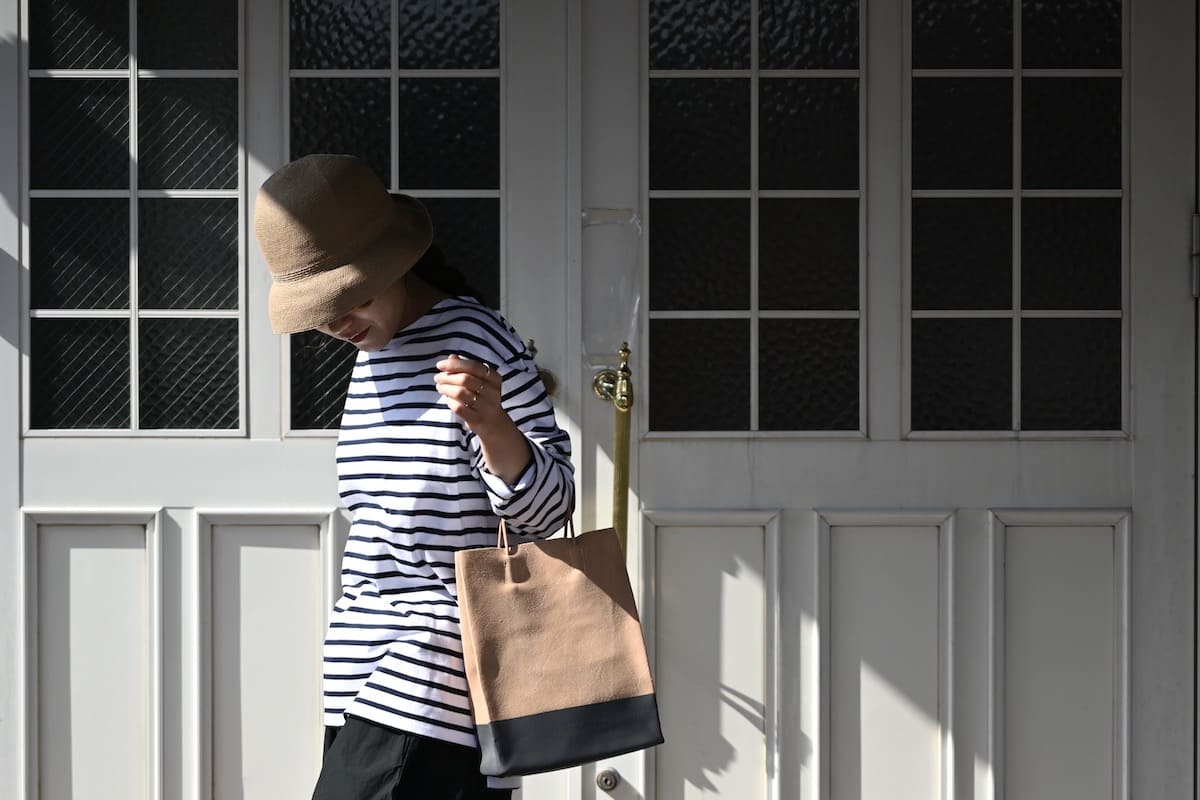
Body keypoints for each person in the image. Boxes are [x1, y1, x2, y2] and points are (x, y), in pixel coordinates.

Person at [254, 153, 576, 799]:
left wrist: (494, 426)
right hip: (363, 659)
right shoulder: (375, 352)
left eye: (351, 297)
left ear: (397, 264)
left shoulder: (477, 341)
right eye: (322, 310)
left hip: (440, 656)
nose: (337, 323)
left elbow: (551, 509)